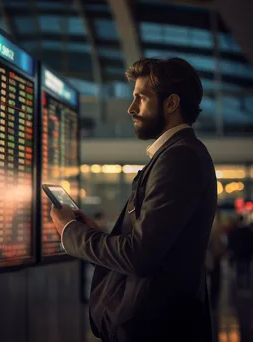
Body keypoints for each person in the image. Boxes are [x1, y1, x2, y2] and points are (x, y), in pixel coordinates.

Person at [51, 57, 217, 342]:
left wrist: (72, 233)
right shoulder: (176, 155)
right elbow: (153, 251)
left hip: (161, 330)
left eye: (141, 98)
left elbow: (139, 255)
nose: (131, 108)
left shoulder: (179, 158)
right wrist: (93, 234)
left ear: (171, 103)